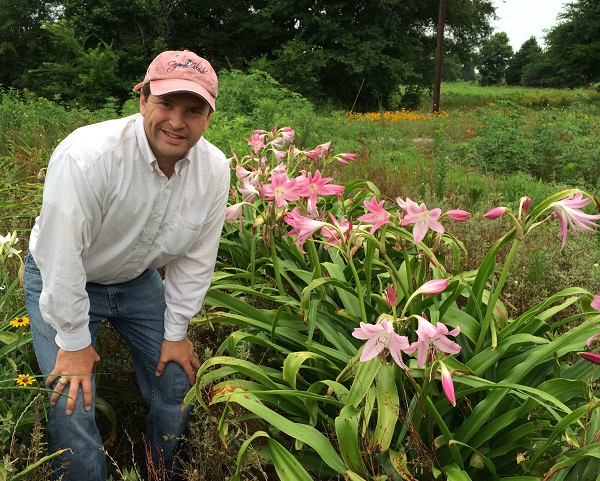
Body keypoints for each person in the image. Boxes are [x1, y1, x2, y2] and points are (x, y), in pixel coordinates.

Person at [23, 50, 230, 481]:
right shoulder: (88, 157)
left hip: (136, 281)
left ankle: (163, 472)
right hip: (63, 277)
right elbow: (61, 260)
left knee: (176, 381)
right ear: (142, 100)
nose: (177, 121)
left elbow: (196, 259)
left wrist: (176, 334)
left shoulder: (214, 170)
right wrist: (75, 342)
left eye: (193, 110)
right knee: (72, 400)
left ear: (208, 117)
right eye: (166, 104)